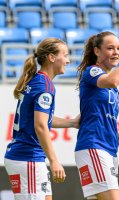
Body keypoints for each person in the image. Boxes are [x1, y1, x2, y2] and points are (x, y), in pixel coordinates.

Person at [4, 38, 80, 200]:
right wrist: (54, 161)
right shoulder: (44, 86)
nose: (67, 60)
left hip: (26, 157)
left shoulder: (37, 81)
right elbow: (40, 126)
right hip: (28, 157)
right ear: (52, 58)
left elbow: (41, 120)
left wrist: (72, 123)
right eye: (65, 55)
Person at [75, 31, 119, 200]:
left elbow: (103, 117)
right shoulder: (92, 72)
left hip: (108, 148)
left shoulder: (113, 89)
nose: (116, 53)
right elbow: (113, 80)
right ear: (97, 51)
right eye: (110, 48)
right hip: (94, 146)